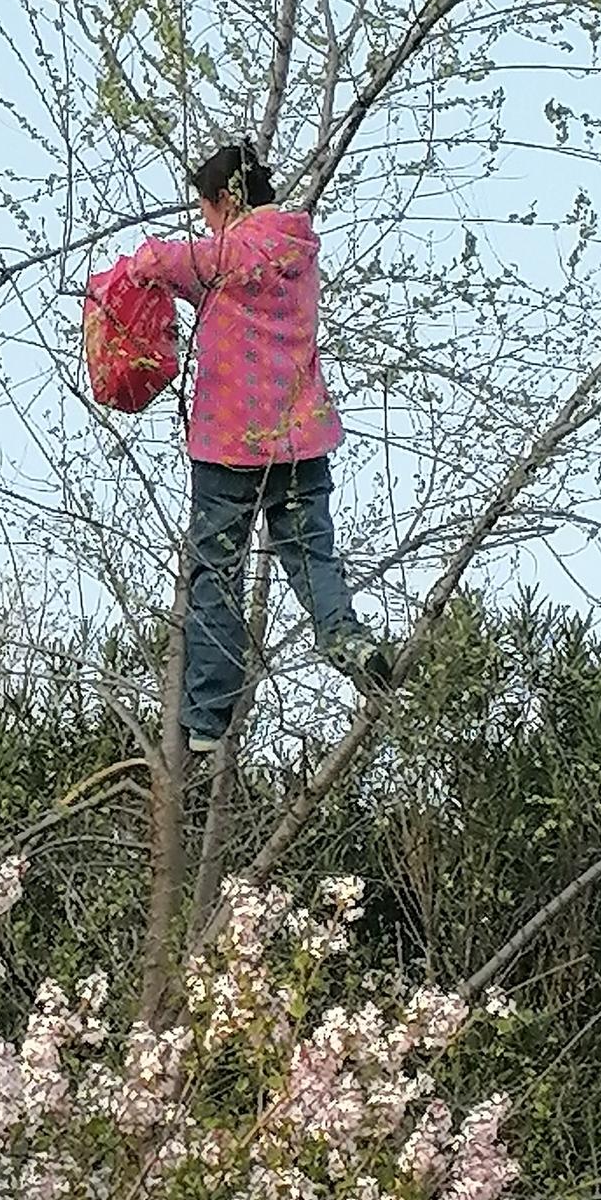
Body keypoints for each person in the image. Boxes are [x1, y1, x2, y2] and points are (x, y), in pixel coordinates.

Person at [123, 138, 391, 753]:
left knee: (217, 571)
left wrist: (133, 271)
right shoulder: (298, 249)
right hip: (301, 438)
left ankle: (208, 716)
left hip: (230, 444)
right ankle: (348, 641)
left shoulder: (229, 252)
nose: (203, 222)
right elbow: (216, 278)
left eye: (205, 209)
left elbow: (160, 260)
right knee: (311, 555)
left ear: (225, 199)